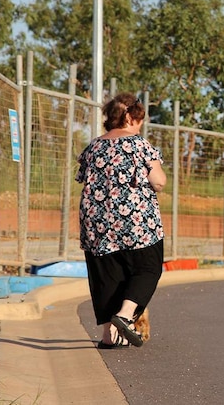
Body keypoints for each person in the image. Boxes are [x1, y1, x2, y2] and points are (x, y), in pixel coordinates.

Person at [75, 92, 167, 348]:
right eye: (138, 119)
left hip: (96, 220)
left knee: (106, 273)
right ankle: (125, 316)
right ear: (128, 117)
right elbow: (158, 181)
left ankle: (108, 336)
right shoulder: (140, 145)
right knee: (148, 268)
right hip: (136, 221)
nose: (140, 125)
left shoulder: (93, 146)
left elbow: (83, 176)